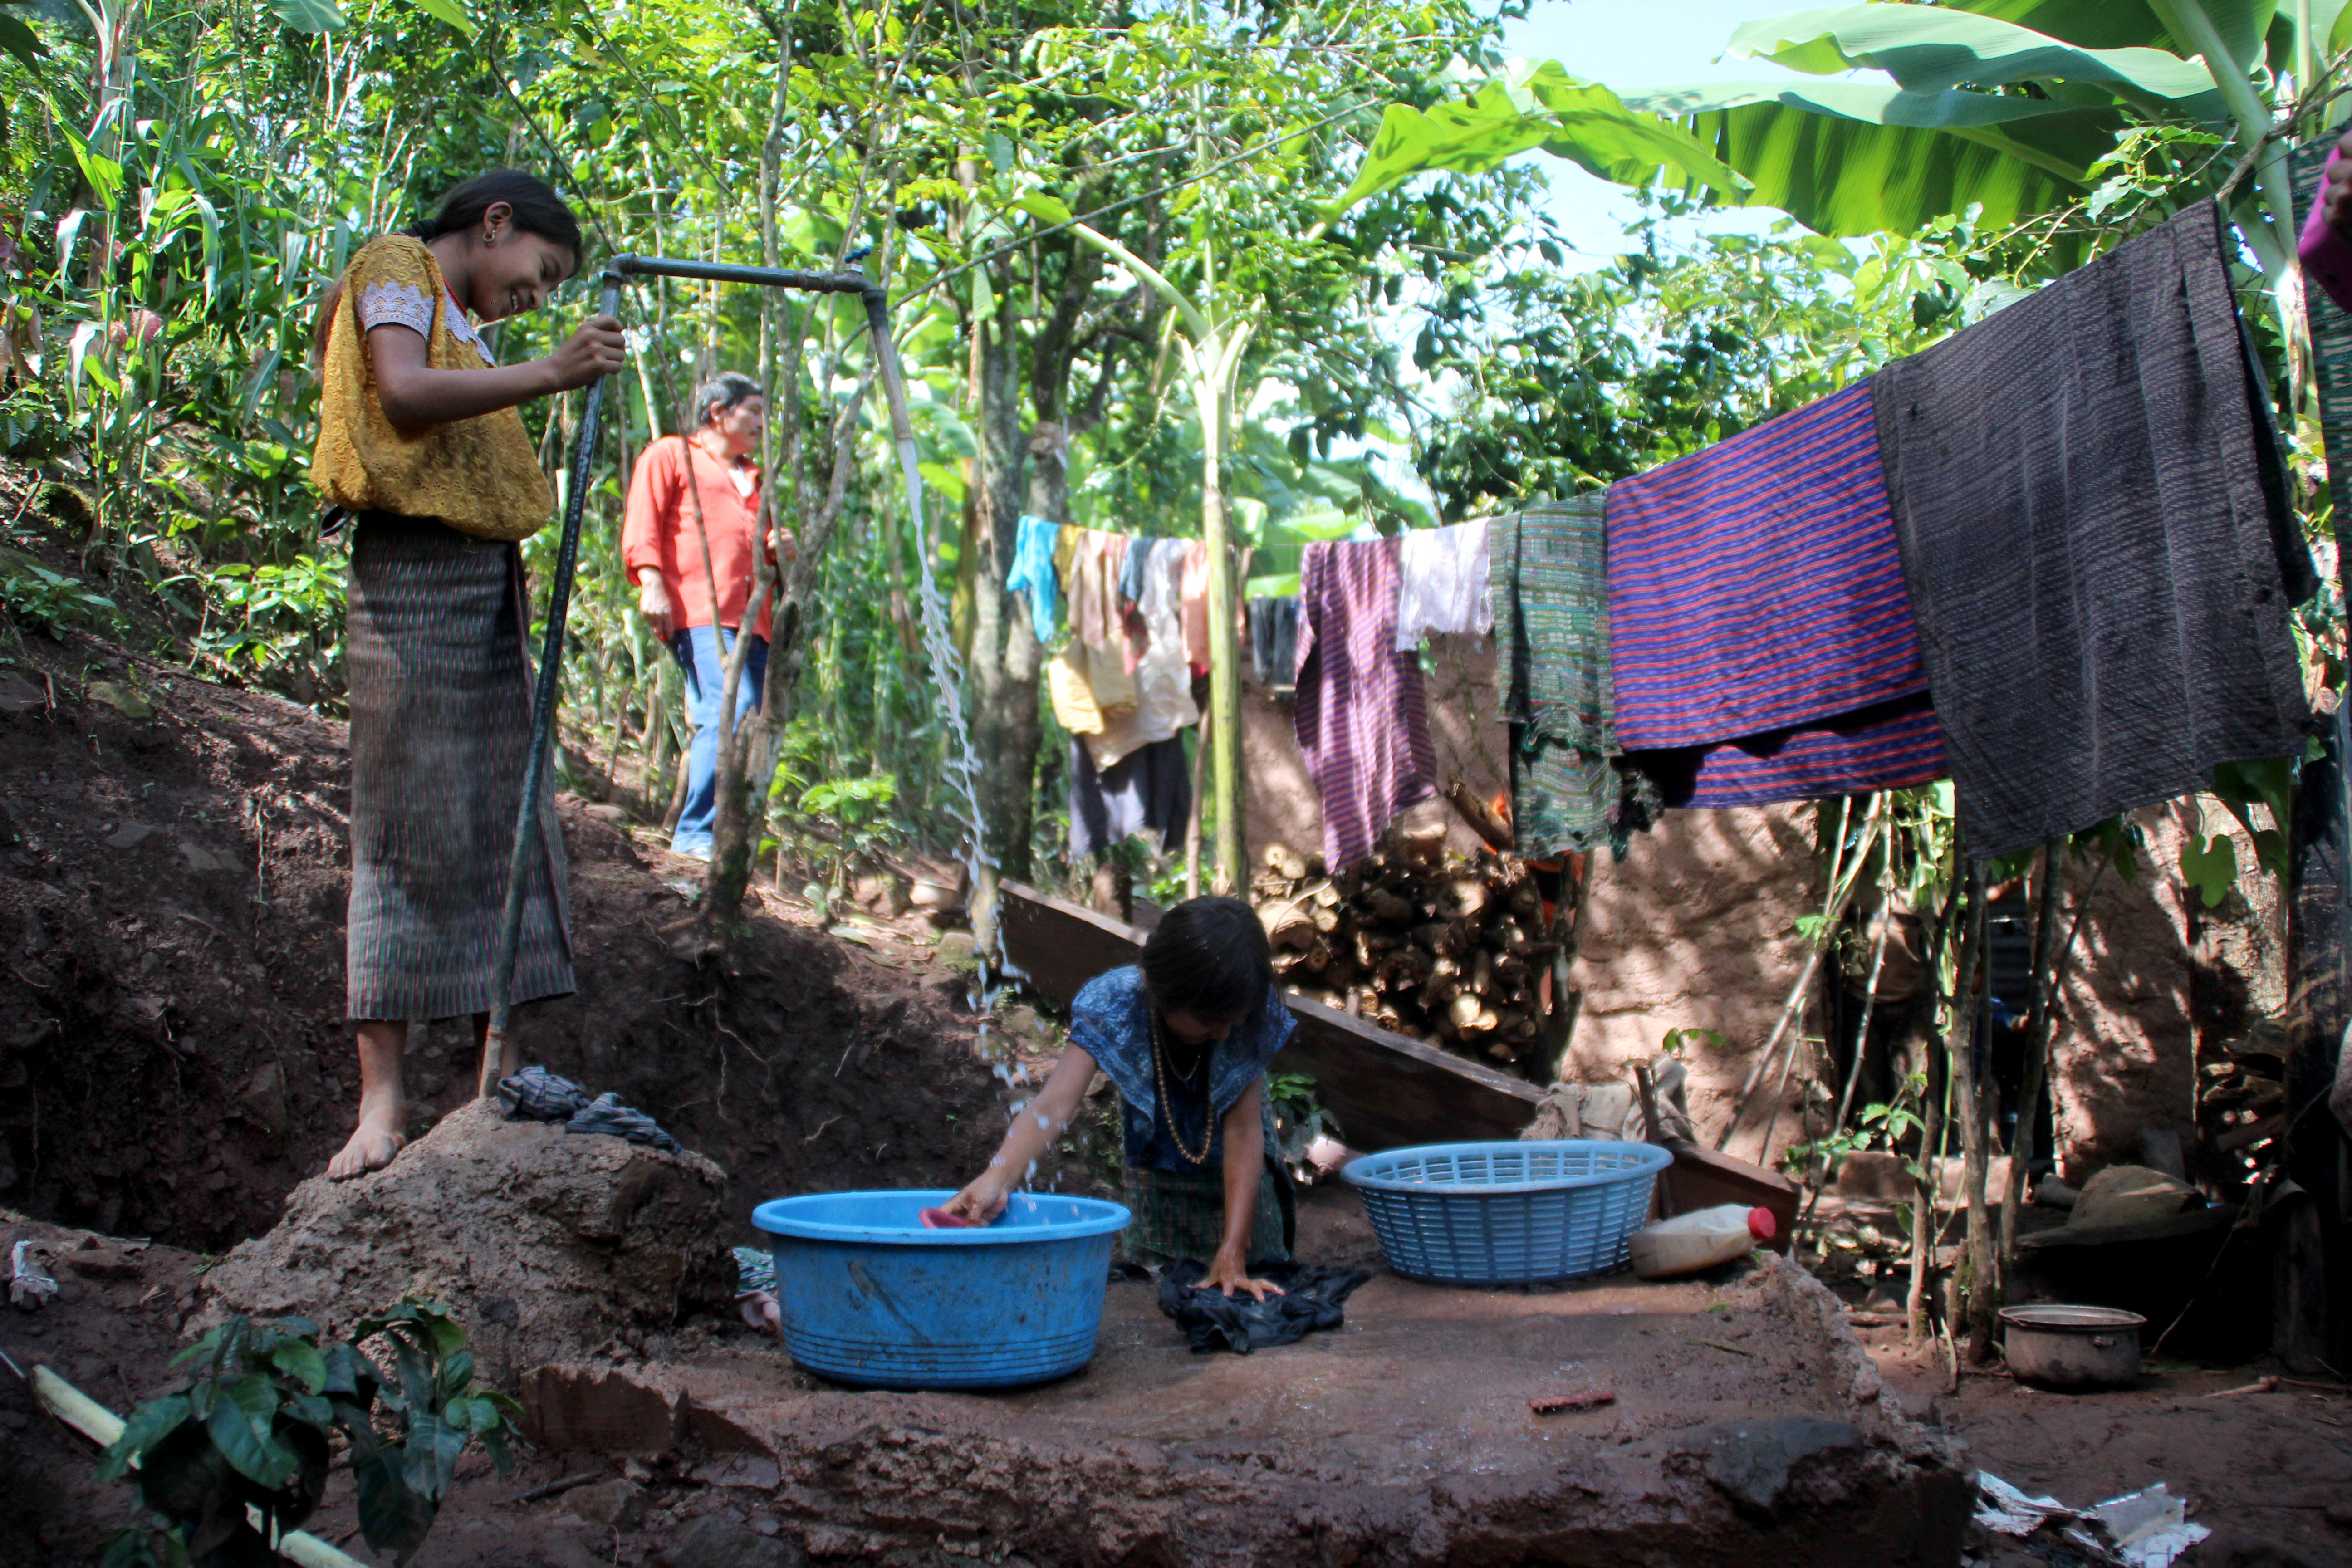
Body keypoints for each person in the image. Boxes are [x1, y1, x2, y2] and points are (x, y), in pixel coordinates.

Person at [309, 169, 627, 1181]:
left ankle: (499, 1080)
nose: (540, 294)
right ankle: (381, 1105)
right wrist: (548, 372)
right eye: (540, 269)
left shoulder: (462, 317)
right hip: (408, 578)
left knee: (511, 821)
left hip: (483, 584)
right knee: (403, 826)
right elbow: (401, 395)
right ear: (494, 224)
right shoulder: (397, 269)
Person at [944, 896, 1295, 1298]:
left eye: (1233, 1021)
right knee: (1154, 1303)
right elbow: (1053, 1104)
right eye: (1209, 1023)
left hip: (1244, 1193)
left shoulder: (1246, 1009)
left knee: (1248, 1300)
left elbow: (1245, 1132)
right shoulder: (1114, 1004)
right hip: (1158, 1191)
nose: (1224, 1035)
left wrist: (1234, 1248)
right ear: (1162, 994)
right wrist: (997, 1176)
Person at [621, 372, 792, 860]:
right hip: (701, 611)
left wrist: (785, 552)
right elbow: (643, 521)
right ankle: (696, 835)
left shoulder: (758, 479)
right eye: (754, 410)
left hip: (754, 621)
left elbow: (768, 558)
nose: (762, 421)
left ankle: (722, 842)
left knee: (745, 725)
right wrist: (651, 583)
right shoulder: (673, 455)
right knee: (726, 712)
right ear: (719, 412)